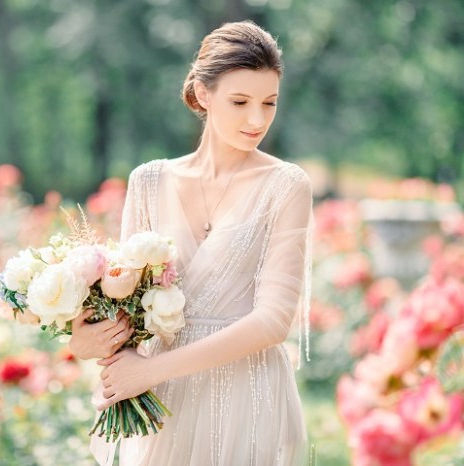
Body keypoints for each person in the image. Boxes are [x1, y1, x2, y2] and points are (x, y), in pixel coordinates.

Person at [69, 20, 313, 466]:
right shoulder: (149, 181)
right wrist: (84, 338)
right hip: (166, 403)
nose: (257, 119)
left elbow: (275, 321)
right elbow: (128, 305)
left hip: (247, 393)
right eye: (239, 102)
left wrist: (149, 370)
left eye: (269, 103)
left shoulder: (286, 185)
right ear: (203, 94)